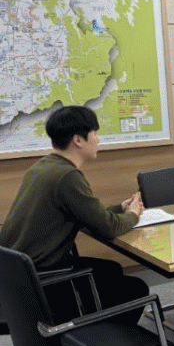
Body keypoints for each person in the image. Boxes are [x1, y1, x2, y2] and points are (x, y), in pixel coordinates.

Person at [0, 106, 148, 326]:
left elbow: (86, 213)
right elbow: (108, 228)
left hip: (17, 274)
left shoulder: (43, 167)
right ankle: (105, 342)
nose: (98, 139)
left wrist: (120, 208)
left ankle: (98, 327)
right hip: (45, 277)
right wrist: (134, 214)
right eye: (94, 133)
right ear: (78, 140)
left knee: (112, 269)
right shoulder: (67, 176)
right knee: (136, 289)